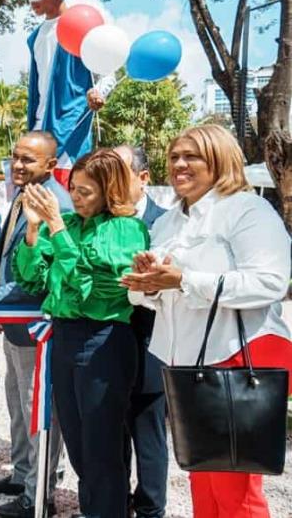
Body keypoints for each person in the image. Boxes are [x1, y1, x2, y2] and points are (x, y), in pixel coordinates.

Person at [121, 125, 292, 518]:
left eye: (191, 156)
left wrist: (184, 280)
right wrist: (147, 284)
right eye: (174, 156)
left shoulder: (247, 210)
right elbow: (155, 296)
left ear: (219, 159)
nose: (179, 164)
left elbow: (270, 282)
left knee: (237, 493)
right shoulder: (167, 223)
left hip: (236, 358)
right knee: (204, 482)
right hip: (188, 367)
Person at [13, 149, 149, 518]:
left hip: (104, 340)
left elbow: (95, 287)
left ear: (109, 191)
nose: (75, 197)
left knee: (102, 449)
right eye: (73, 188)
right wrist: (33, 229)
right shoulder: (69, 223)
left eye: (85, 191)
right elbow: (33, 278)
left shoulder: (126, 229)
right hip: (65, 338)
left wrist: (56, 229)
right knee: (78, 447)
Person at [0, 131, 70, 518]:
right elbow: (8, 255)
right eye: (15, 157)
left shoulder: (55, 204)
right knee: (19, 408)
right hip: (14, 323)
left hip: (37, 327)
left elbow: (37, 277)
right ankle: (23, 475)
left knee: (39, 412)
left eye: (28, 160)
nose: (17, 165)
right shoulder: (24, 195)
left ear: (50, 165)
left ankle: (39, 496)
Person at [21, 0, 112, 184]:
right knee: (33, 199)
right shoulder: (36, 37)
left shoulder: (81, 24)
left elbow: (107, 72)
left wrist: (99, 92)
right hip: (38, 132)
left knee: (67, 197)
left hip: (70, 133)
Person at [114, 144, 168, 518]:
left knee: (149, 435)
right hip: (107, 349)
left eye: (119, 172)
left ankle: (150, 508)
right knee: (112, 435)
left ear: (143, 178)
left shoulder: (165, 224)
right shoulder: (99, 222)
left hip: (152, 346)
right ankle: (116, 504)